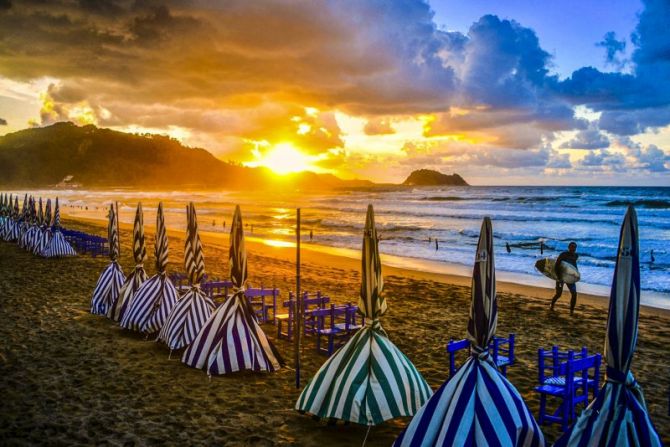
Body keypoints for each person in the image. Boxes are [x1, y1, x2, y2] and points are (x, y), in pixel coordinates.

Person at [550, 241, 579, 315]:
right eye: (572, 246)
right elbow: (557, 265)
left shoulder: (576, 255)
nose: (573, 248)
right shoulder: (563, 254)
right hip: (561, 277)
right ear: (568, 247)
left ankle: (571, 311)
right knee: (558, 294)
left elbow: (574, 265)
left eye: (574, 247)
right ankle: (552, 305)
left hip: (570, 277)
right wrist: (558, 277)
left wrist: (576, 273)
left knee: (574, 294)